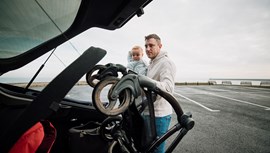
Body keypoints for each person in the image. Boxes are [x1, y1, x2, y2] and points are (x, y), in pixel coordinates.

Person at [143, 34, 176, 153]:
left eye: (151, 45)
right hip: (147, 112)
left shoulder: (166, 63)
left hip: (159, 115)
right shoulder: (151, 64)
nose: (147, 49)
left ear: (160, 46)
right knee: (148, 148)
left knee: (156, 150)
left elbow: (168, 88)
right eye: (146, 45)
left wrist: (147, 81)